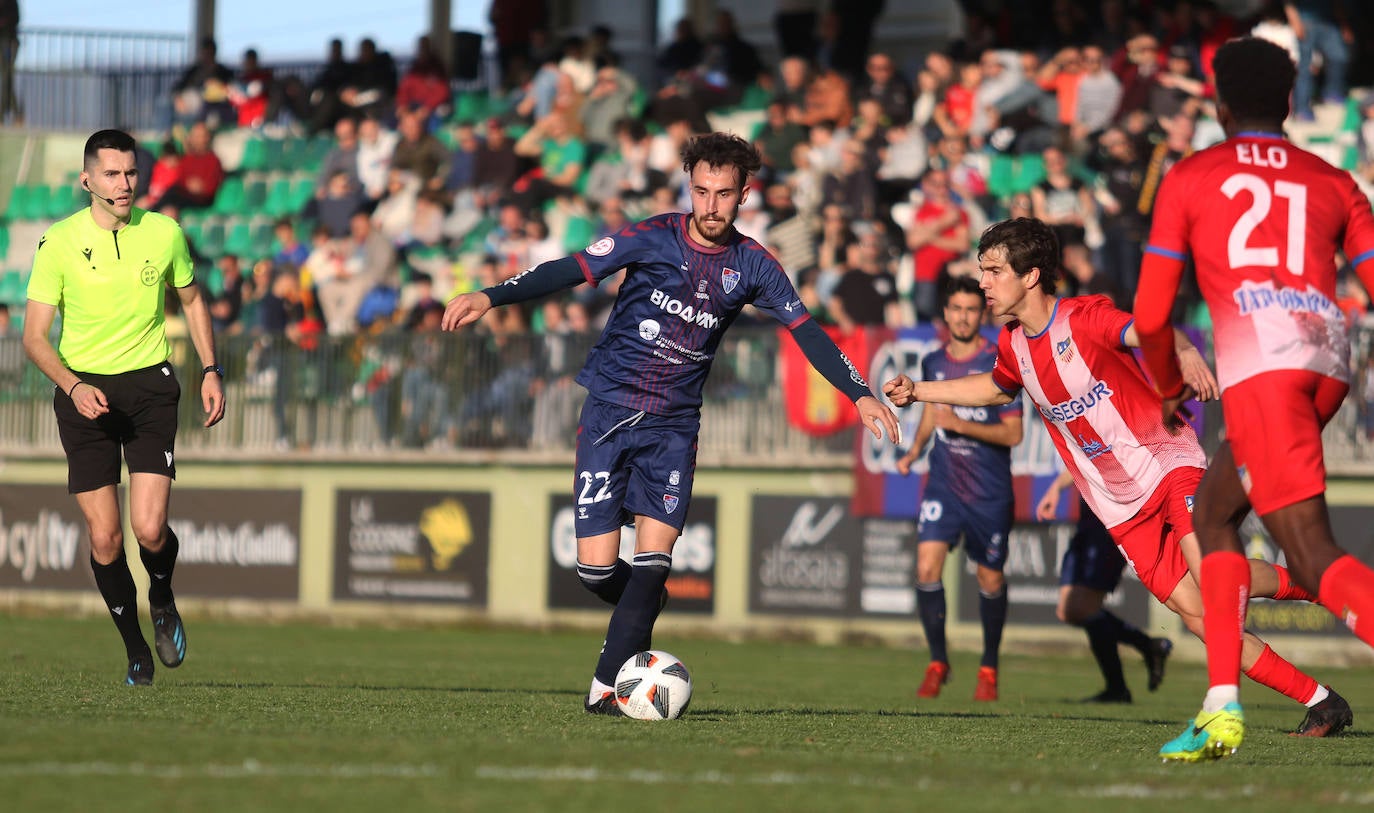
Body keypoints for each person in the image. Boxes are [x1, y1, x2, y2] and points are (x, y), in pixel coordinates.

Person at [443, 132, 901, 715]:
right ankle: (642, 607)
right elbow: (573, 268)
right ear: (690, 187)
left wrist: (858, 392)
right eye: (702, 192)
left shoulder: (754, 264)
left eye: (724, 194)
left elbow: (807, 330)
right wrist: (491, 296)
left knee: (654, 561)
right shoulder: (653, 235)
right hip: (610, 410)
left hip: (674, 428)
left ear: (744, 195)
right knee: (595, 570)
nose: (711, 206)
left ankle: (604, 690)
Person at [883, 216, 1348, 743]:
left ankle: (1325, 593)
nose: (983, 282)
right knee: (1197, 613)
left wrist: (1186, 349)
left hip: (1167, 462)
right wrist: (919, 390)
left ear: (1031, 276)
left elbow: (1145, 329)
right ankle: (1323, 698)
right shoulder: (1014, 345)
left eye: (992, 271)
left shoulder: (1085, 317)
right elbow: (996, 389)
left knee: (1214, 581)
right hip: (1119, 506)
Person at [1133, 36, 1374, 762]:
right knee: (1214, 512)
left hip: (1262, 365)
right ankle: (1221, 703)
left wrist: (1171, 386)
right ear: (1292, 102)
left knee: (1311, 551)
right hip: (1327, 359)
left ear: (1219, 103)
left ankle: (1225, 705)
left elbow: (1149, 317)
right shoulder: (1334, 179)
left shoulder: (1191, 175)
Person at [21, 129, 227, 686]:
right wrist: (72, 385)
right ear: (87, 180)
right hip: (82, 393)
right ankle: (135, 646)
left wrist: (210, 368)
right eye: (112, 174)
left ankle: (162, 595)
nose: (124, 184)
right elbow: (35, 337)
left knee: (150, 528)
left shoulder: (165, 233)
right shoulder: (58, 243)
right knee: (106, 539)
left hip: (150, 388)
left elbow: (192, 298)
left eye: (131, 173)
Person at [894, 276, 1024, 702]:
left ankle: (988, 667)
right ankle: (937, 661)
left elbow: (1014, 435)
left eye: (972, 309)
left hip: (988, 490)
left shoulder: (1000, 359)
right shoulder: (933, 362)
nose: (964, 316)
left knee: (989, 576)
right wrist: (915, 450)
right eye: (956, 309)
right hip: (944, 484)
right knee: (927, 568)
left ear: (981, 313)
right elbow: (935, 413)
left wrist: (961, 424)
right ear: (946, 314)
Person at [1037, 468, 1172, 703]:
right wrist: (1057, 487)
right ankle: (1142, 654)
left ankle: (1122, 682)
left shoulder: (1126, 435)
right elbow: (1083, 458)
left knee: (1083, 608)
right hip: (1088, 524)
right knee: (1069, 610)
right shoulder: (1092, 434)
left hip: (1110, 527)